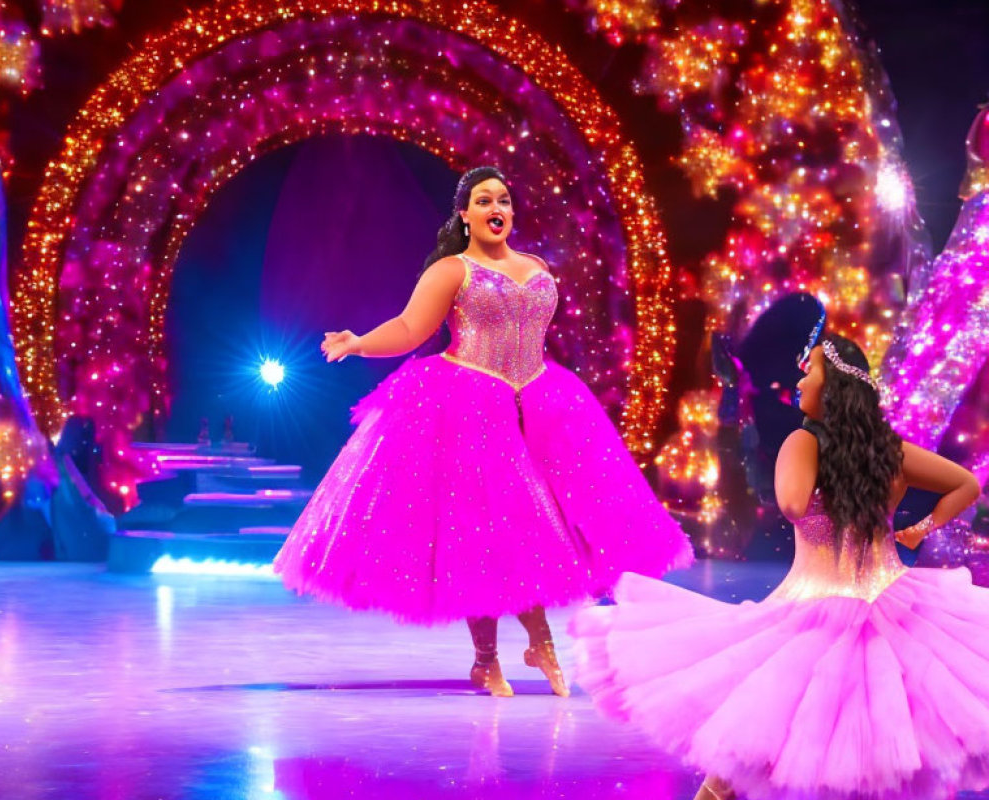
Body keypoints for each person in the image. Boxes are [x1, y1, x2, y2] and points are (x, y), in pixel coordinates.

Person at [273, 166, 693, 697]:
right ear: (465, 215)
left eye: (504, 199)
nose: (497, 207)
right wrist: (358, 343)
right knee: (482, 535)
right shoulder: (452, 271)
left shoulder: (537, 267)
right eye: (483, 199)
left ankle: (521, 650)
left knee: (533, 530)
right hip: (466, 408)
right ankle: (496, 657)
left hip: (541, 406)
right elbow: (409, 329)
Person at [572, 332, 987, 799]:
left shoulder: (804, 442)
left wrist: (807, 457)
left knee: (752, 750)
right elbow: (966, 485)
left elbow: (791, 504)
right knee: (878, 749)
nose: (799, 379)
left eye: (809, 369)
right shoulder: (889, 452)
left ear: (831, 387)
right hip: (891, 608)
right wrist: (916, 531)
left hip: (812, 615)